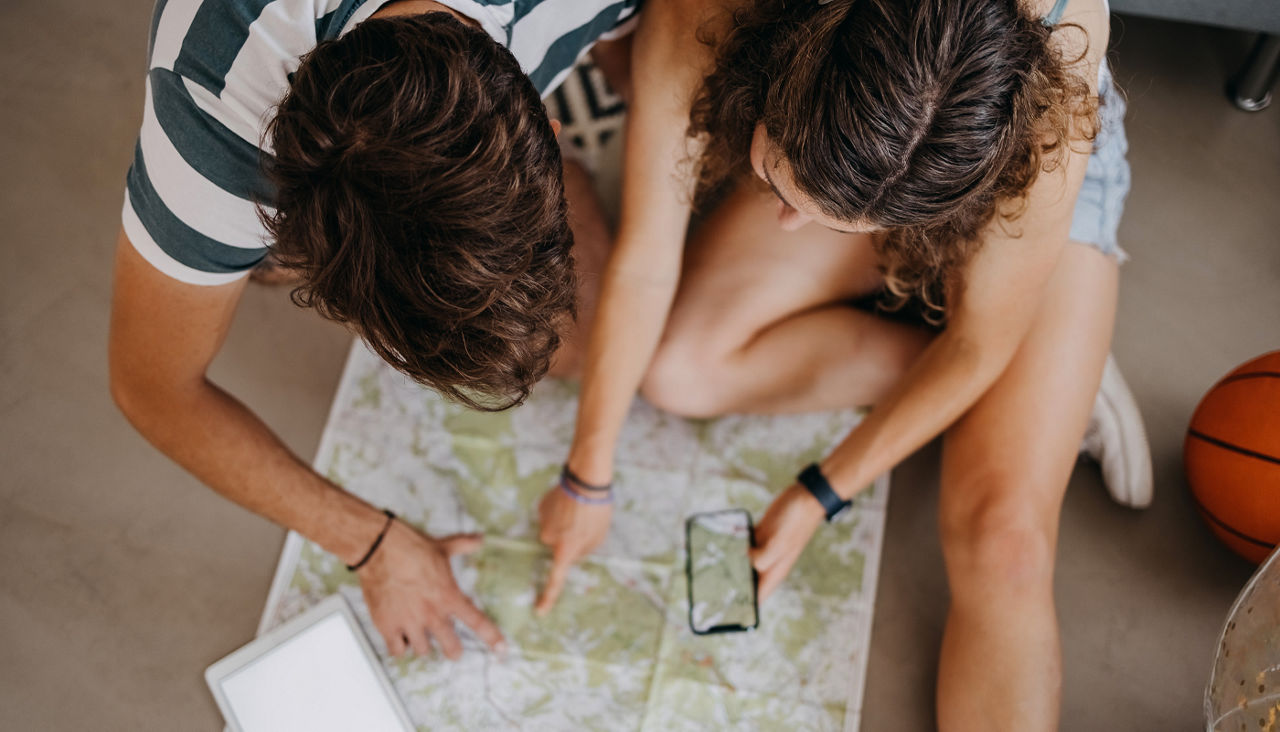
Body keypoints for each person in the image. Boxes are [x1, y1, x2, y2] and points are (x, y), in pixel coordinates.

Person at [536, 0, 1151, 727]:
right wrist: (588, 475)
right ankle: (1042, 375)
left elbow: (977, 342)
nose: (790, 225)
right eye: (778, 183)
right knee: (679, 369)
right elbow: (645, 261)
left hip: (1003, 173)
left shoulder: (1061, 57)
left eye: (826, 223)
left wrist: (820, 494)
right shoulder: (711, 8)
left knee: (1004, 543)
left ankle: (1043, 357)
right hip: (849, 153)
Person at [108, 0, 638, 661]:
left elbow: (636, 54)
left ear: (549, 136)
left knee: (570, 342)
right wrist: (374, 544)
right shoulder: (212, 123)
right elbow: (151, 385)